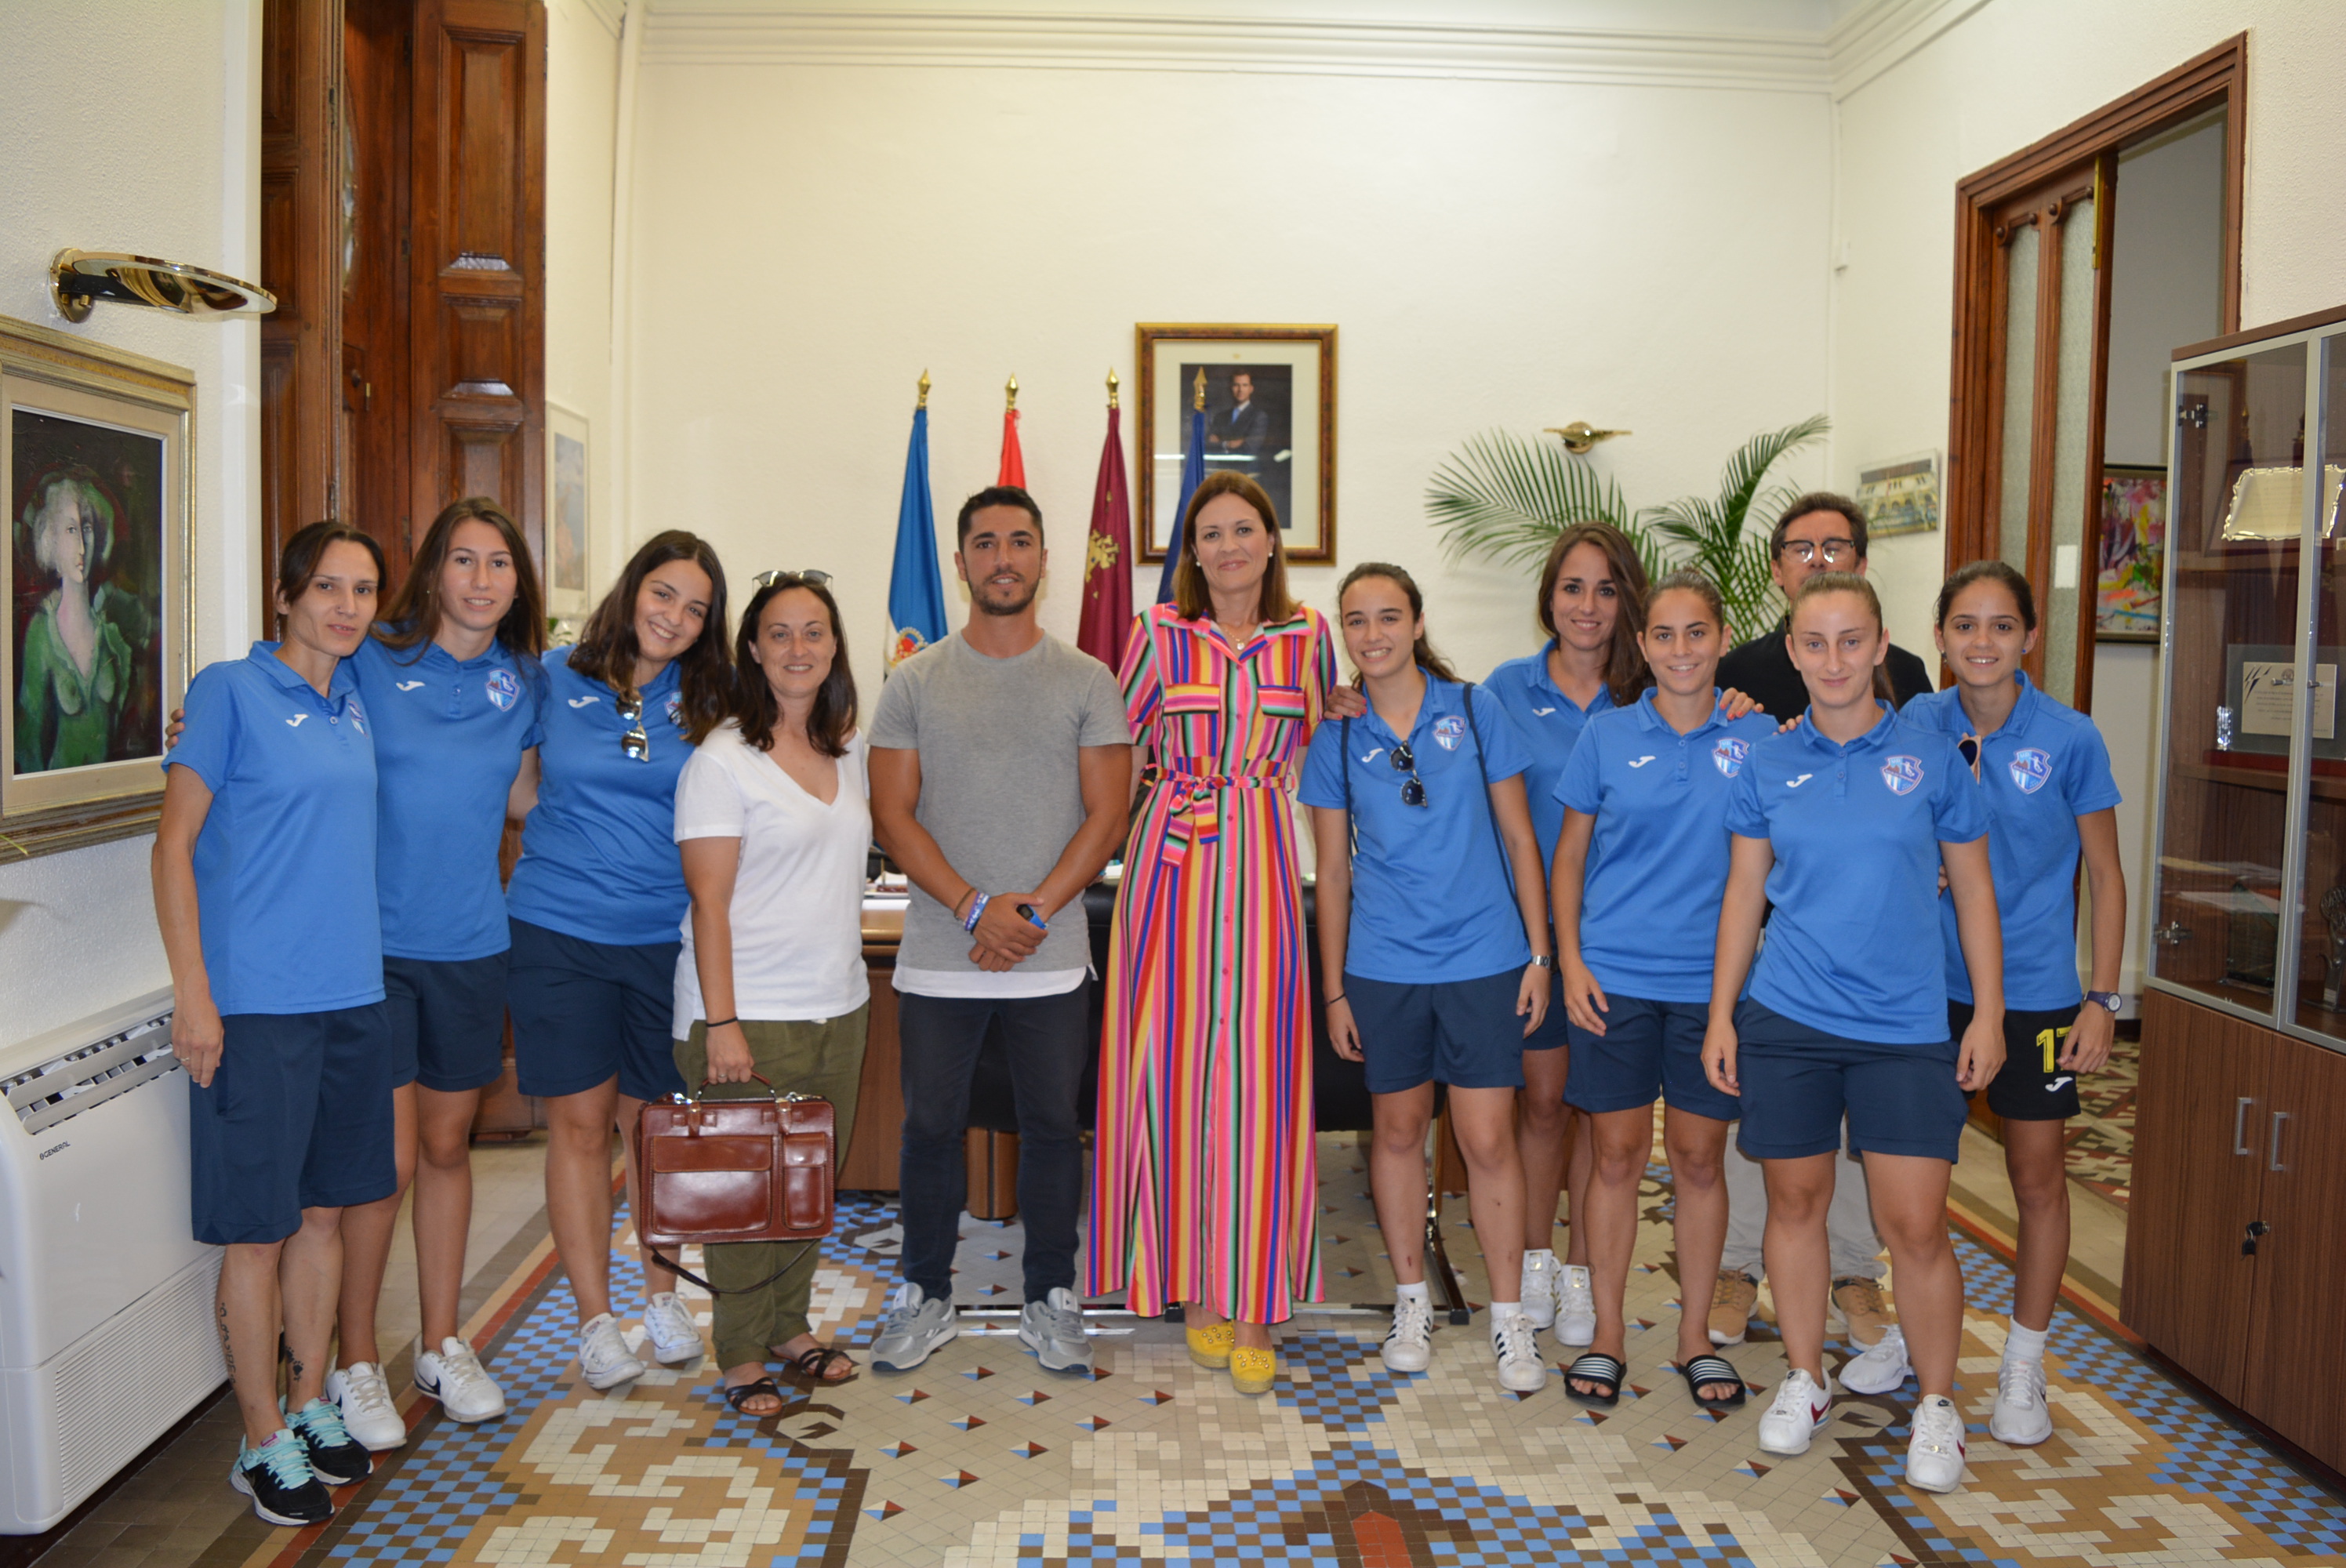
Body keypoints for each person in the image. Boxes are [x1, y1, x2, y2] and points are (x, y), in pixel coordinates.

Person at [1703, 571, 2003, 1494]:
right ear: (1792, 653)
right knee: (1793, 1206)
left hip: (1903, 1025)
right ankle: (1805, 1374)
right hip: (1786, 1018)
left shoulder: (1932, 757)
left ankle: (1938, 1405)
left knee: (1911, 1224)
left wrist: (1987, 1010)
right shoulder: (1767, 762)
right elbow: (1745, 893)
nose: (1832, 659)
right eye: (1813, 642)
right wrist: (1721, 1013)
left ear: (1881, 647)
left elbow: (1976, 889)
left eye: (1850, 640)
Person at [152, 521, 394, 1526]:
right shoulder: (228, 693)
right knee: (256, 1230)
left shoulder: (353, 701)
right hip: (254, 1005)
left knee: (327, 1212)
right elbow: (174, 848)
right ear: (285, 596)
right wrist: (194, 992)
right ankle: (258, 1440)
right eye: (328, 586)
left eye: (365, 588)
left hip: (351, 996)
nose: (347, 605)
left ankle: (306, 1403)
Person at [866, 485, 1131, 1377]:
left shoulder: (1087, 679)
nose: (1003, 557)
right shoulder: (913, 680)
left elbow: (1106, 815)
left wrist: (1034, 910)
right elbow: (892, 816)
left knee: (1054, 1126)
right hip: (942, 952)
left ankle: (1050, 1295)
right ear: (960, 562)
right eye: (985, 543)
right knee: (929, 1127)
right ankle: (925, 1293)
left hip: (1050, 955)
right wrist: (979, 909)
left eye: (1020, 541)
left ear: (1045, 559)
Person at [1089, 471, 1336, 1396]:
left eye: (1246, 528)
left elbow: (1326, 758)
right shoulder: (1158, 636)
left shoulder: (1307, 639)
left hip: (1268, 863)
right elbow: (1115, 757)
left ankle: (1263, 1294)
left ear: (1273, 543)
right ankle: (1192, 1283)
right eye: (1210, 532)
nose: (1229, 545)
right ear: (1189, 553)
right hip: (1172, 870)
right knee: (1174, 1071)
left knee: (1264, 1078)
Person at [1867, 560, 2123, 1443]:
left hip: (2039, 995)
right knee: (1912, 1181)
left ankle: (2023, 1361)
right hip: (1923, 987)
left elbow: (2109, 874)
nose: (1981, 642)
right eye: (1964, 625)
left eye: (2000, 625)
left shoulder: (2071, 735)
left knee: (2035, 1177)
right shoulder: (1915, 722)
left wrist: (2104, 997)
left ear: (2027, 637)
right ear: (1937, 636)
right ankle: (1911, 1330)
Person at [1302, 562, 1553, 1396]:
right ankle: (1411, 1297)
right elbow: (1332, 870)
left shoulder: (1476, 710)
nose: (1371, 634)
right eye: (1354, 620)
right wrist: (1335, 987)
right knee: (1399, 1131)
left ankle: (1510, 1316)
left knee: (1486, 1139)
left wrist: (1539, 953)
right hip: (1383, 965)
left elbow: (1522, 841)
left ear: (1416, 623)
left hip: (1484, 959)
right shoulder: (1335, 733)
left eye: (1387, 616)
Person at [325, 499, 544, 1444]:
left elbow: (532, 797)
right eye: (464, 559)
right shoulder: (368, 656)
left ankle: (441, 1342)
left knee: (448, 1151)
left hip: (471, 945)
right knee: (385, 1164)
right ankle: (354, 1361)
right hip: (371, 948)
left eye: (499, 563)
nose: (482, 579)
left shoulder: (523, 681)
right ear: (434, 572)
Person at [505, 531, 732, 1391]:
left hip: (663, 938)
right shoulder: (550, 675)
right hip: (558, 929)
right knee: (578, 1124)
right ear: (633, 587)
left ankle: (662, 1298)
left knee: (657, 1129)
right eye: (664, 593)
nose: (675, 617)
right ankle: (597, 1320)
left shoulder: (712, 694)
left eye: (696, 607)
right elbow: (518, 789)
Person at [1550, 570, 1774, 1410]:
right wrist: (1570, 960)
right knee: (1612, 1157)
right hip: (1612, 981)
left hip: (1713, 989)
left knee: (1697, 1159)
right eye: (1664, 635)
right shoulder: (1606, 736)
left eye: (1697, 633)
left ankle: (1690, 1338)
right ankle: (1607, 1332)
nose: (1681, 650)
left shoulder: (1756, 739)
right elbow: (1568, 857)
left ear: (1721, 639)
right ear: (1640, 645)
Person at [1709, 492, 1925, 1352]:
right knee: (1763, 1117)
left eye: (1836, 546)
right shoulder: (1741, 670)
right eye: (1801, 547)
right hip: (1775, 929)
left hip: (1874, 938)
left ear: (1862, 563)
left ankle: (1853, 1272)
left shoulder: (1902, 669)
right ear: (1775, 568)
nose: (1819, 559)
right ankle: (1737, 1263)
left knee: (1852, 1125)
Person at [674, 572, 873, 1415]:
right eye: (780, 632)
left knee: (806, 1187)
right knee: (744, 1198)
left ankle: (790, 1328)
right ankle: (741, 1352)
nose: (799, 648)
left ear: (834, 646)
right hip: (746, 1012)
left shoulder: (843, 745)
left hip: (839, 1002)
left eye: (814, 631)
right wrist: (723, 1023)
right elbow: (708, 901)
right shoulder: (722, 759)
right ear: (752, 647)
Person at [1480, 522, 1648, 1346]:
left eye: (1607, 588)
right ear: (1548, 595)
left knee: (1603, 1114)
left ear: (1628, 600)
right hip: (1532, 938)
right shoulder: (1504, 690)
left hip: (1622, 941)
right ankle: (1538, 1256)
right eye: (1573, 587)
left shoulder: (1655, 688)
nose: (1587, 605)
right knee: (1544, 1102)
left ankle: (1584, 1273)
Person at [16, 465, 142, 773]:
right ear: (52, 541)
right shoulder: (40, 634)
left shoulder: (113, 634)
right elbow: (28, 747)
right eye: (71, 530)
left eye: (86, 528)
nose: (82, 547)